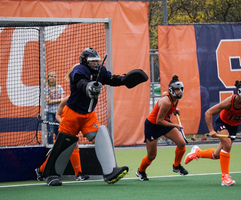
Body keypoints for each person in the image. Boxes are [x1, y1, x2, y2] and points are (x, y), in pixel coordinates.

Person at [36, 47, 147, 186]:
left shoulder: (101, 71)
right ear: (84, 61)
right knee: (64, 143)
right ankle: (49, 174)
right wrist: (89, 86)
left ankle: (110, 171)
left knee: (101, 134)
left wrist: (124, 80)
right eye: (92, 61)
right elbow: (80, 82)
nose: (95, 64)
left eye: (96, 61)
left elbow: (112, 79)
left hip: (88, 114)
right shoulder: (79, 70)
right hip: (72, 113)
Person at [184, 80, 241, 186]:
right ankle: (225, 178)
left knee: (218, 154)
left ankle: (197, 153)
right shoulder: (229, 102)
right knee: (227, 146)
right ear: (240, 92)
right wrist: (211, 130)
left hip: (233, 127)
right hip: (222, 123)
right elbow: (208, 113)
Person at [136, 75, 188, 181]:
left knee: (181, 143)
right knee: (151, 156)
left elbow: (165, 95)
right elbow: (158, 121)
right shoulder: (166, 102)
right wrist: (175, 125)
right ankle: (140, 171)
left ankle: (176, 166)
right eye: (177, 90)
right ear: (172, 90)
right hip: (153, 126)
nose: (180, 92)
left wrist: (175, 109)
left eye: (181, 89)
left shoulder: (173, 98)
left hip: (165, 123)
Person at [45, 71, 64, 144]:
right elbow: (48, 101)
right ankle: (50, 145)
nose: (53, 78)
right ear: (48, 78)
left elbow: (63, 100)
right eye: (51, 76)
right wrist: (60, 100)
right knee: (51, 131)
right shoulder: (46, 88)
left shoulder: (59, 87)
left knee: (59, 130)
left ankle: (58, 145)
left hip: (58, 112)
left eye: (54, 76)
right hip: (49, 112)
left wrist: (58, 100)